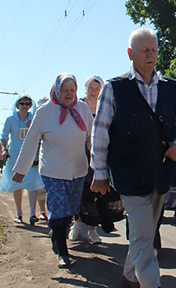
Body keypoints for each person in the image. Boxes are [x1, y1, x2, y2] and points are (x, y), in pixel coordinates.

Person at [90, 28, 176, 288]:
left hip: (160, 174)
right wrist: (99, 174)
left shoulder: (171, 88)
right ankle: (151, 284)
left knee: (144, 233)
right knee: (144, 234)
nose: (151, 55)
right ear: (130, 54)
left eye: (154, 50)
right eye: (145, 50)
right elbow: (100, 133)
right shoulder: (114, 88)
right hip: (128, 175)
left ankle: (128, 277)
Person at [12, 74, 93, 268]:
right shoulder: (45, 111)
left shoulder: (83, 109)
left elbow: (91, 137)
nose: (69, 94)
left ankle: (57, 235)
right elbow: (31, 141)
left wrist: (98, 162)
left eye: (72, 90)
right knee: (59, 210)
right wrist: (21, 170)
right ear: (57, 90)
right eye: (65, 90)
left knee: (71, 211)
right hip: (53, 170)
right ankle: (63, 254)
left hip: (78, 170)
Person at [70, 76, 124, 244]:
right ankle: (77, 223)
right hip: (80, 154)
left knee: (96, 192)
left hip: (99, 154)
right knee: (81, 192)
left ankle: (93, 231)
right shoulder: (78, 106)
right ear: (85, 89)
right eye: (91, 88)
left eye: (97, 88)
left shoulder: (105, 106)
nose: (94, 91)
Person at [0, 95, 45, 225]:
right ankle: (19, 213)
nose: (24, 106)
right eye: (22, 103)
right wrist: (4, 148)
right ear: (17, 105)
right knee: (17, 185)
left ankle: (32, 214)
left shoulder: (34, 118)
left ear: (31, 105)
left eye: (27, 104)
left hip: (31, 156)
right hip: (14, 156)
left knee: (32, 184)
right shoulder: (11, 119)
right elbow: (4, 136)